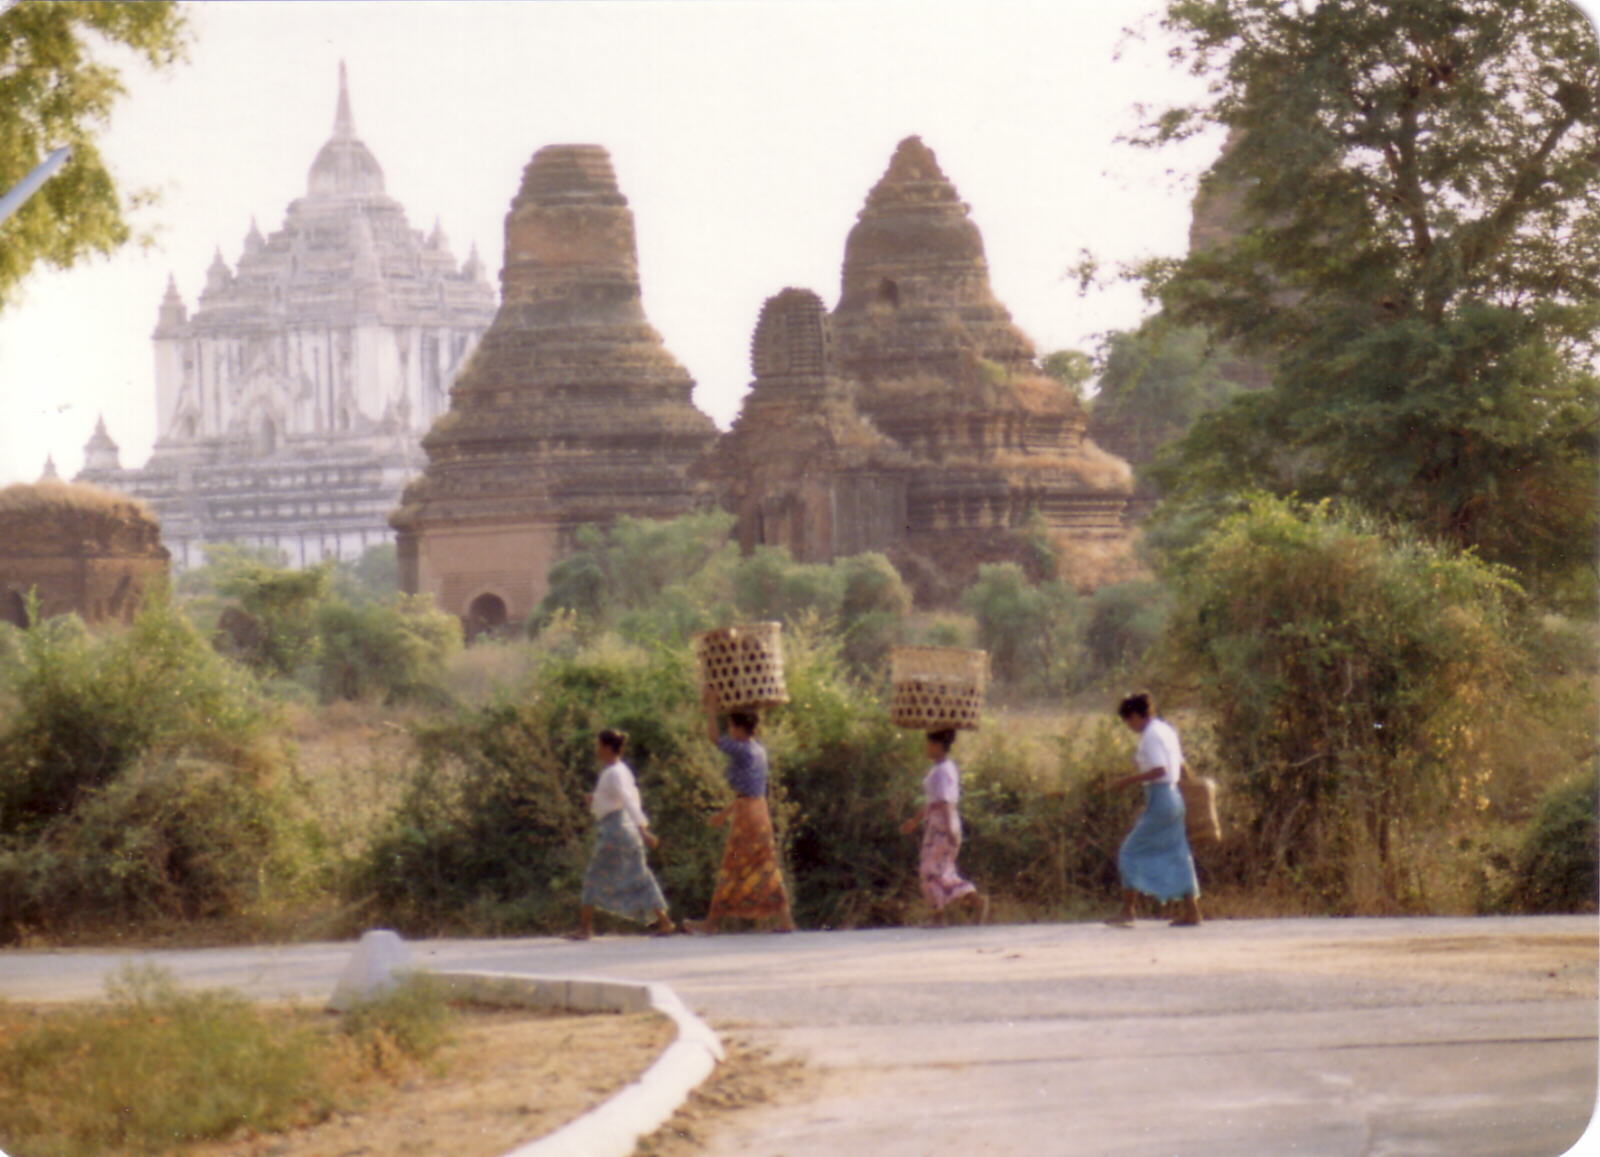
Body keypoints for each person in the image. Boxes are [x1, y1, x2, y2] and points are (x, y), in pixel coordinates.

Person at [683, 685, 796, 935]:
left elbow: (713, 739)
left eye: (731, 727)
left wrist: (711, 710)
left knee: (733, 864)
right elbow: (749, 790)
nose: (729, 732)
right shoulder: (758, 749)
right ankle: (785, 919)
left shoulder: (743, 749)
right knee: (764, 863)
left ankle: (711, 924)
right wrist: (725, 813)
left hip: (748, 814)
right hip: (758, 810)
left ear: (740, 729)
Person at [1107, 692, 1202, 927]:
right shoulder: (1166, 730)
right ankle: (1192, 911)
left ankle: (1128, 912)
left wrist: (1127, 780)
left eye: (1129, 720)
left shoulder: (1150, 736)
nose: (1130, 726)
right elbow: (1180, 765)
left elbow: (1159, 770)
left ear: (1138, 716)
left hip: (1161, 799)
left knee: (1130, 851)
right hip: (1174, 798)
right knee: (1178, 854)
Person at [571, 729, 674, 939]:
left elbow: (627, 801)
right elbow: (625, 798)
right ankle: (664, 922)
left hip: (615, 831)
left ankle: (584, 929)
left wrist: (644, 830)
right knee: (640, 875)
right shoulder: (620, 770)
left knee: (594, 875)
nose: (596, 749)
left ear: (608, 748)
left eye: (599, 745)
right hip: (625, 828)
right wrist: (596, 799)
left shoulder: (613, 773)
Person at [900, 728, 988, 926]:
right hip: (937, 824)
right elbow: (933, 801)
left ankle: (944, 911)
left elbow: (945, 802)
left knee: (930, 870)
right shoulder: (942, 768)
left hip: (942, 825)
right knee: (938, 870)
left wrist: (950, 829)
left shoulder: (942, 771)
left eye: (930, 744)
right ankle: (953, 906)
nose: (927, 748)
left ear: (939, 745)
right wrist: (915, 821)